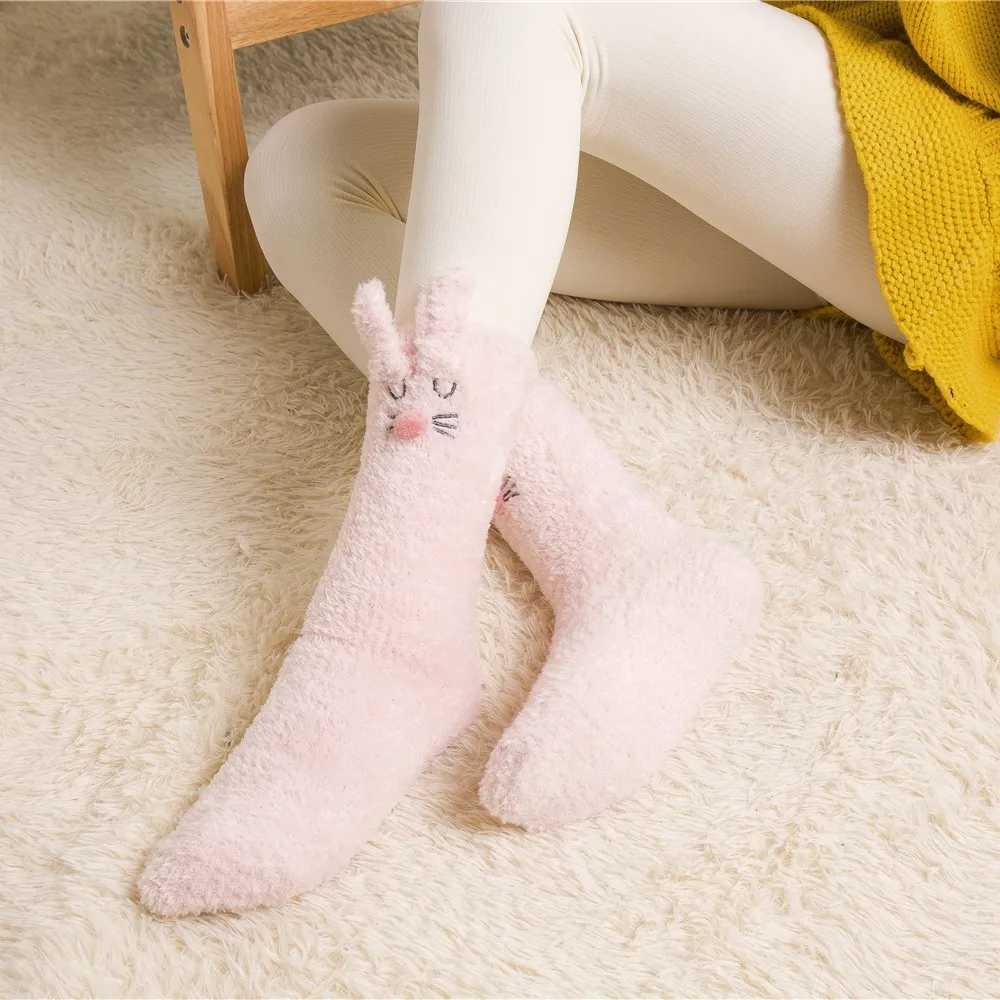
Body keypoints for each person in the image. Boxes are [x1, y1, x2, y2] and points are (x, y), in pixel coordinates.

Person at [138, 1, 1000, 917]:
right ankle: (617, 553)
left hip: (960, 167)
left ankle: (385, 630)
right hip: (840, 110)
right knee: (308, 166)